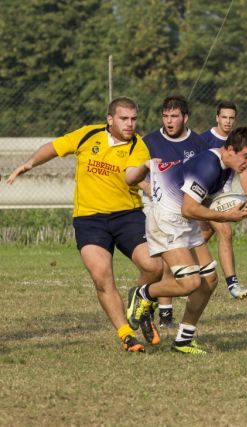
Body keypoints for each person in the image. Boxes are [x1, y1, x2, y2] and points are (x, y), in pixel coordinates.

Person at [6, 96, 163, 352]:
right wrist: (29, 164)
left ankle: (142, 302)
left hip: (127, 215)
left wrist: (145, 176)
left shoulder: (139, 147)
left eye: (134, 119)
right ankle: (126, 334)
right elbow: (55, 147)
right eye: (124, 119)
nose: (130, 124)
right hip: (90, 219)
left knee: (154, 266)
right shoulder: (88, 134)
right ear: (110, 119)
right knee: (101, 277)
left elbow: (131, 177)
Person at [125, 127, 247, 355]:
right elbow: (189, 208)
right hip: (167, 220)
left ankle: (183, 340)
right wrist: (226, 216)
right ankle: (143, 294)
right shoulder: (208, 165)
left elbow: (199, 204)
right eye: (246, 156)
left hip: (184, 221)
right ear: (229, 149)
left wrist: (232, 207)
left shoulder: (226, 168)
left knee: (209, 280)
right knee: (190, 283)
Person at [141, 95, 209, 328]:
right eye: (165, 116)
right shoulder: (149, 142)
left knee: (201, 275)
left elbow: (203, 178)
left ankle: (154, 306)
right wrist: (149, 188)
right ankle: (160, 311)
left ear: (185, 118)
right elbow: (133, 174)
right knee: (168, 264)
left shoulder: (198, 144)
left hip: (186, 212)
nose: (169, 121)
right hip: (159, 210)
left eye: (174, 116)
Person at [198, 101, 247, 299]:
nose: (228, 121)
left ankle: (175, 269)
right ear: (217, 117)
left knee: (199, 238)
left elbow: (244, 169)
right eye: (224, 117)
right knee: (225, 231)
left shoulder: (237, 140)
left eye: (231, 118)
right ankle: (233, 285)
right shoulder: (203, 140)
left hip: (221, 195)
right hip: (202, 195)